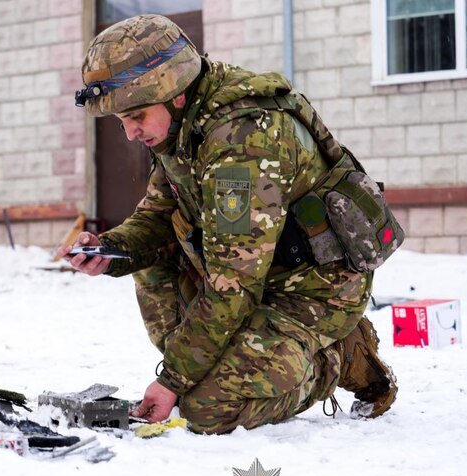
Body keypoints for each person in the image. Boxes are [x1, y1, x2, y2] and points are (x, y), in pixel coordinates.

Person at [59, 14, 400, 434]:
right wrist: (111, 250)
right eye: (122, 121)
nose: (130, 133)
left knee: (206, 410)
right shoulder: (180, 129)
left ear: (175, 94)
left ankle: (338, 356)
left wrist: (174, 380)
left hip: (312, 291)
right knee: (153, 266)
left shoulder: (242, 141)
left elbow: (233, 282)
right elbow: (159, 218)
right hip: (256, 278)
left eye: (137, 116)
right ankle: (222, 361)